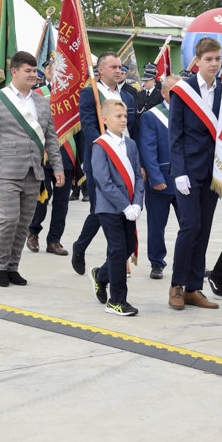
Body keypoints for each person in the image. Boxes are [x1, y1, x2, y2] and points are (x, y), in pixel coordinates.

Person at [0, 51, 65, 287]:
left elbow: (51, 139)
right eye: (28, 71)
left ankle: (12, 267)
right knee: (8, 219)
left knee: (23, 222)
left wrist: (58, 166)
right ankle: (0, 266)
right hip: (5, 171)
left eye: (35, 71)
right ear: (14, 72)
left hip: (33, 171)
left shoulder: (42, 102)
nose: (33, 75)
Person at [70, 52, 139, 275]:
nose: (118, 70)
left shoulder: (128, 97)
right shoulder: (90, 92)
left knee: (120, 212)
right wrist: (105, 148)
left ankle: (114, 263)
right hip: (101, 159)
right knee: (101, 211)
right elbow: (88, 126)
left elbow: (133, 129)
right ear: (100, 70)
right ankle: (80, 247)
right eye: (113, 67)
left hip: (126, 163)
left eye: (120, 67)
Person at [167, 37, 222, 310]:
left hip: (214, 173)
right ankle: (176, 286)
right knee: (189, 225)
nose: (214, 64)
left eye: (217, 59)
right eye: (209, 59)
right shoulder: (183, 90)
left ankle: (193, 288)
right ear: (197, 61)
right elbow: (174, 134)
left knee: (204, 229)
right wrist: (178, 171)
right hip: (187, 171)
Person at [87, 99, 144, 316]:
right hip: (109, 208)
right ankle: (117, 301)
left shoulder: (130, 144)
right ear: (105, 119)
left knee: (128, 247)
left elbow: (138, 176)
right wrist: (124, 205)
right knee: (119, 250)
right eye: (118, 116)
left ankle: (101, 276)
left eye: (125, 116)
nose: (123, 120)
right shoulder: (100, 146)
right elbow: (104, 181)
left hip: (130, 206)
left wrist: (137, 202)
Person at [26, 60, 76, 256]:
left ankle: (54, 240)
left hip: (66, 156)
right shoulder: (36, 95)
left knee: (62, 203)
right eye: (57, 70)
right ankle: (33, 232)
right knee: (41, 200)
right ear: (46, 72)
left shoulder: (73, 96)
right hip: (42, 157)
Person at [139, 75, 179, 280]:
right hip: (161, 180)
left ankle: (192, 261)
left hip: (185, 182)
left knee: (191, 226)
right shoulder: (151, 116)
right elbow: (147, 150)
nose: (178, 94)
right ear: (163, 93)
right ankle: (156, 262)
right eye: (173, 91)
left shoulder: (189, 114)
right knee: (156, 225)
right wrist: (155, 178)